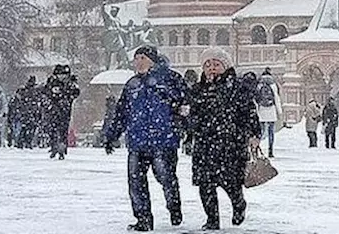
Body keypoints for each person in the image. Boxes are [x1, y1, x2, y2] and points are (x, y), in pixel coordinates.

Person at [104, 45, 187, 231]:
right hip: (137, 141)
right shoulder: (132, 84)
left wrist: (183, 125)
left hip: (164, 140)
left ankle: (174, 206)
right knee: (135, 181)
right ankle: (143, 219)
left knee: (165, 177)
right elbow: (121, 113)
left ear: (153, 60)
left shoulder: (170, 79)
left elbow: (185, 105)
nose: (139, 62)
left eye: (143, 58)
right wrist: (112, 135)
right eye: (136, 58)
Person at [187, 48, 260, 230]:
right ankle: (212, 219)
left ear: (225, 66)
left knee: (231, 183)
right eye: (207, 65)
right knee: (205, 184)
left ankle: (238, 204)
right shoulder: (197, 90)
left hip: (231, 143)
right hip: (204, 144)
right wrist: (189, 132)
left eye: (216, 64)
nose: (212, 68)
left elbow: (249, 112)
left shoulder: (236, 88)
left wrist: (254, 134)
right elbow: (192, 115)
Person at [43, 63, 81, 159]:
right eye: (60, 75)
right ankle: (54, 145)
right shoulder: (52, 82)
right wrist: (53, 97)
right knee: (52, 128)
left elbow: (76, 93)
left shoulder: (70, 83)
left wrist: (67, 96)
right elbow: (46, 92)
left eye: (64, 75)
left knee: (63, 129)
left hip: (65, 110)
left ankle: (62, 147)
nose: (62, 77)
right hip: (53, 110)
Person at [253, 69, 282, 158]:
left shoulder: (259, 84)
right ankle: (270, 150)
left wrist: (256, 110)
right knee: (271, 132)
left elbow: (256, 98)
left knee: (260, 132)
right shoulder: (273, 84)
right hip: (271, 110)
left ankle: (257, 148)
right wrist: (279, 111)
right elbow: (276, 97)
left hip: (261, 110)